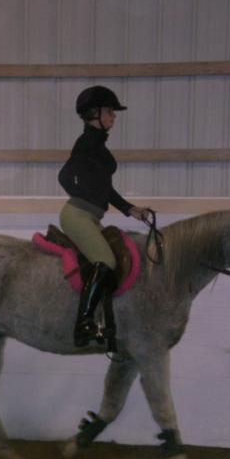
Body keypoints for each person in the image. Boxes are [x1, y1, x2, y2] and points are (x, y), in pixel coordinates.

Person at [58, 85, 150, 347]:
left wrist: (130, 209)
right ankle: (83, 324)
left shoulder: (95, 143)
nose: (113, 116)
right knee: (105, 260)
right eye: (110, 111)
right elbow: (64, 176)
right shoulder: (87, 142)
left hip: (89, 215)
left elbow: (105, 188)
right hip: (78, 215)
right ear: (95, 114)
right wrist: (83, 197)